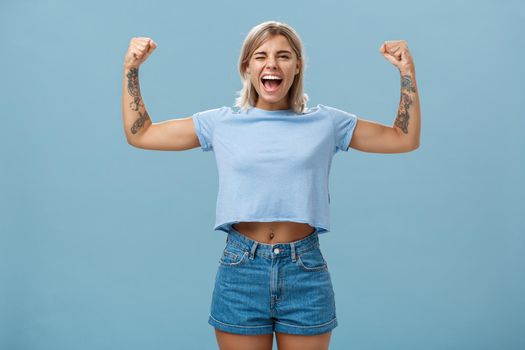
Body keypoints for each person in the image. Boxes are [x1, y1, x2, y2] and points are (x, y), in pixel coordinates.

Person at [121, 20, 420, 350]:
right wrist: (131, 69)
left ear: (297, 66)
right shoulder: (221, 123)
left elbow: (403, 138)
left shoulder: (327, 123)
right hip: (241, 270)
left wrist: (407, 72)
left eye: (284, 56)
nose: (272, 64)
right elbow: (141, 133)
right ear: (247, 67)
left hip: (304, 270)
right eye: (261, 56)